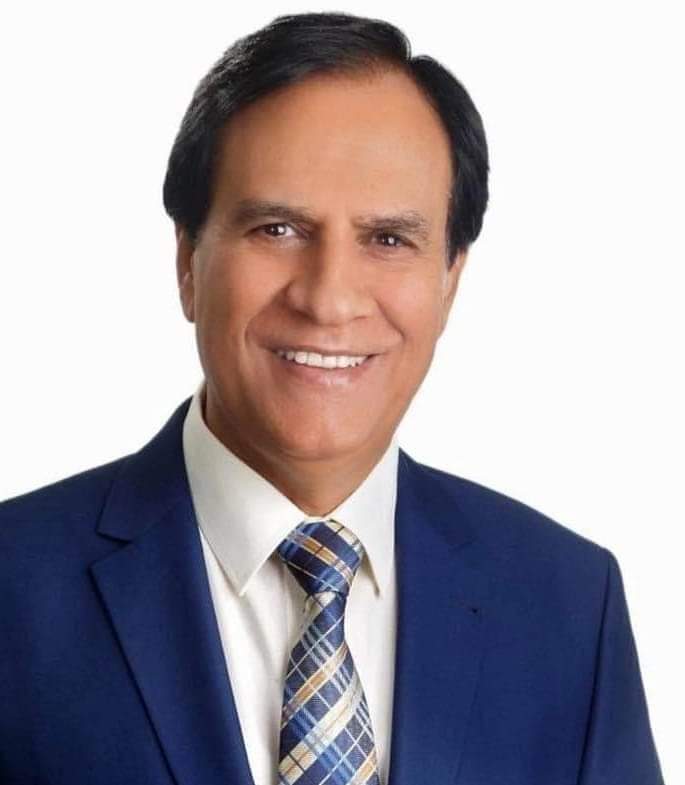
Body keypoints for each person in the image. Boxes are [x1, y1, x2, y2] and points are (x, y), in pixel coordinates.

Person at [0, 11, 664, 785]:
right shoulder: (15, 585)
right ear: (187, 259)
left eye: (388, 239)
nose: (328, 298)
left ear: (449, 279)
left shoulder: (567, 603)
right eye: (277, 229)